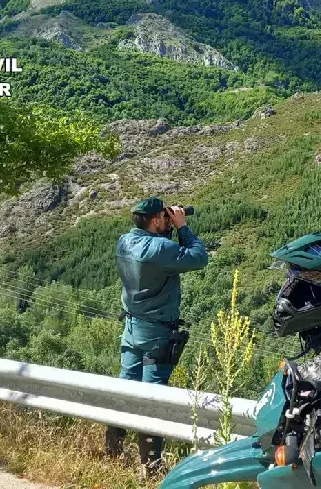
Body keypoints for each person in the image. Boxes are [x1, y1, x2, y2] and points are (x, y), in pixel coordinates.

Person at [105, 196, 208, 476]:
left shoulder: (124, 242)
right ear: (154, 221)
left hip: (131, 329)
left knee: (125, 389)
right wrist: (183, 227)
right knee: (153, 397)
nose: (169, 219)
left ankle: (112, 451)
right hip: (156, 335)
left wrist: (169, 227)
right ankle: (150, 467)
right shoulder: (160, 247)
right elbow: (199, 257)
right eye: (165, 217)